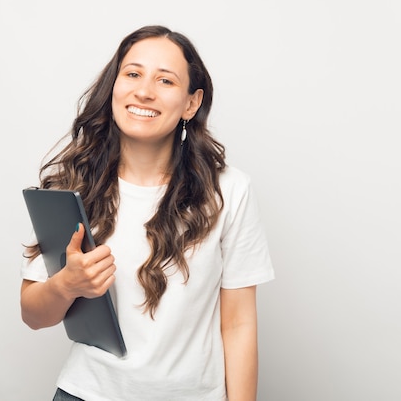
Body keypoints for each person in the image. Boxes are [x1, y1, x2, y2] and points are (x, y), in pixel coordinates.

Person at [20, 25, 274, 401]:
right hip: (87, 392)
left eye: (165, 81)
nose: (144, 91)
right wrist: (67, 284)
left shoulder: (229, 190)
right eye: (133, 74)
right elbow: (33, 314)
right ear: (114, 88)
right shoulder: (73, 187)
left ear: (191, 103)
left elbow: (238, 323)